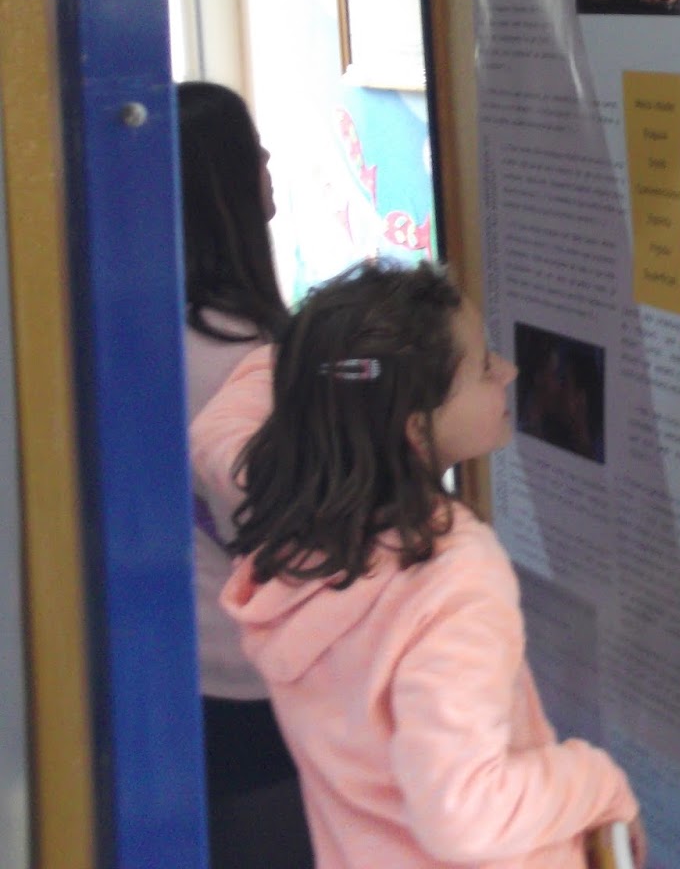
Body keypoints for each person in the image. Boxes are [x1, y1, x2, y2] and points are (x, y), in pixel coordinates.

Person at [192, 262, 645, 869]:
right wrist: (597, 780)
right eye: (482, 368)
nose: (508, 372)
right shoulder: (449, 576)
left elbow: (217, 428)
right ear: (415, 428)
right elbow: (465, 814)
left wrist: (329, 359)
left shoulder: (293, 528)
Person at [176, 81, 314, 869]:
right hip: (251, 678)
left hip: (190, 659)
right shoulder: (246, 355)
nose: (268, 163)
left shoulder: (156, 327)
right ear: (222, 186)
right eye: (251, 153)